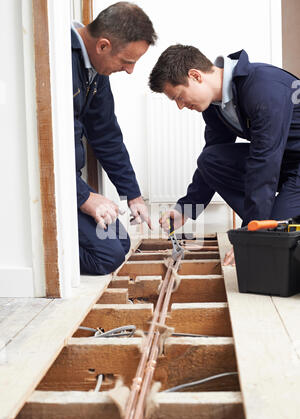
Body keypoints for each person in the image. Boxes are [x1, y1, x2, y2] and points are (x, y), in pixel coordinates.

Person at [148, 45, 300, 265]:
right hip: (284, 160)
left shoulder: (263, 87)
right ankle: (268, 221)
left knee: (276, 243)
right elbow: (212, 160)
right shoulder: (215, 106)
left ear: (195, 76)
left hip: (287, 164)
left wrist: (251, 235)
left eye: (179, 97)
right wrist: (187, 208)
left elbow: (264, 163)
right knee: (210, 160)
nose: (181, 106)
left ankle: (266, 224)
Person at [72, 2, 157, 275]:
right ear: (103, 46)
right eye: (127, 61)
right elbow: (43, 153)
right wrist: (84, 196)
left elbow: (106, 134)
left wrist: (133, 195)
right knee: (107, 258)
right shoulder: (57, 62)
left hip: (72, 184)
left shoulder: (96, 70)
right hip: (55, 187)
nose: (130, 71)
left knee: (119, 243)